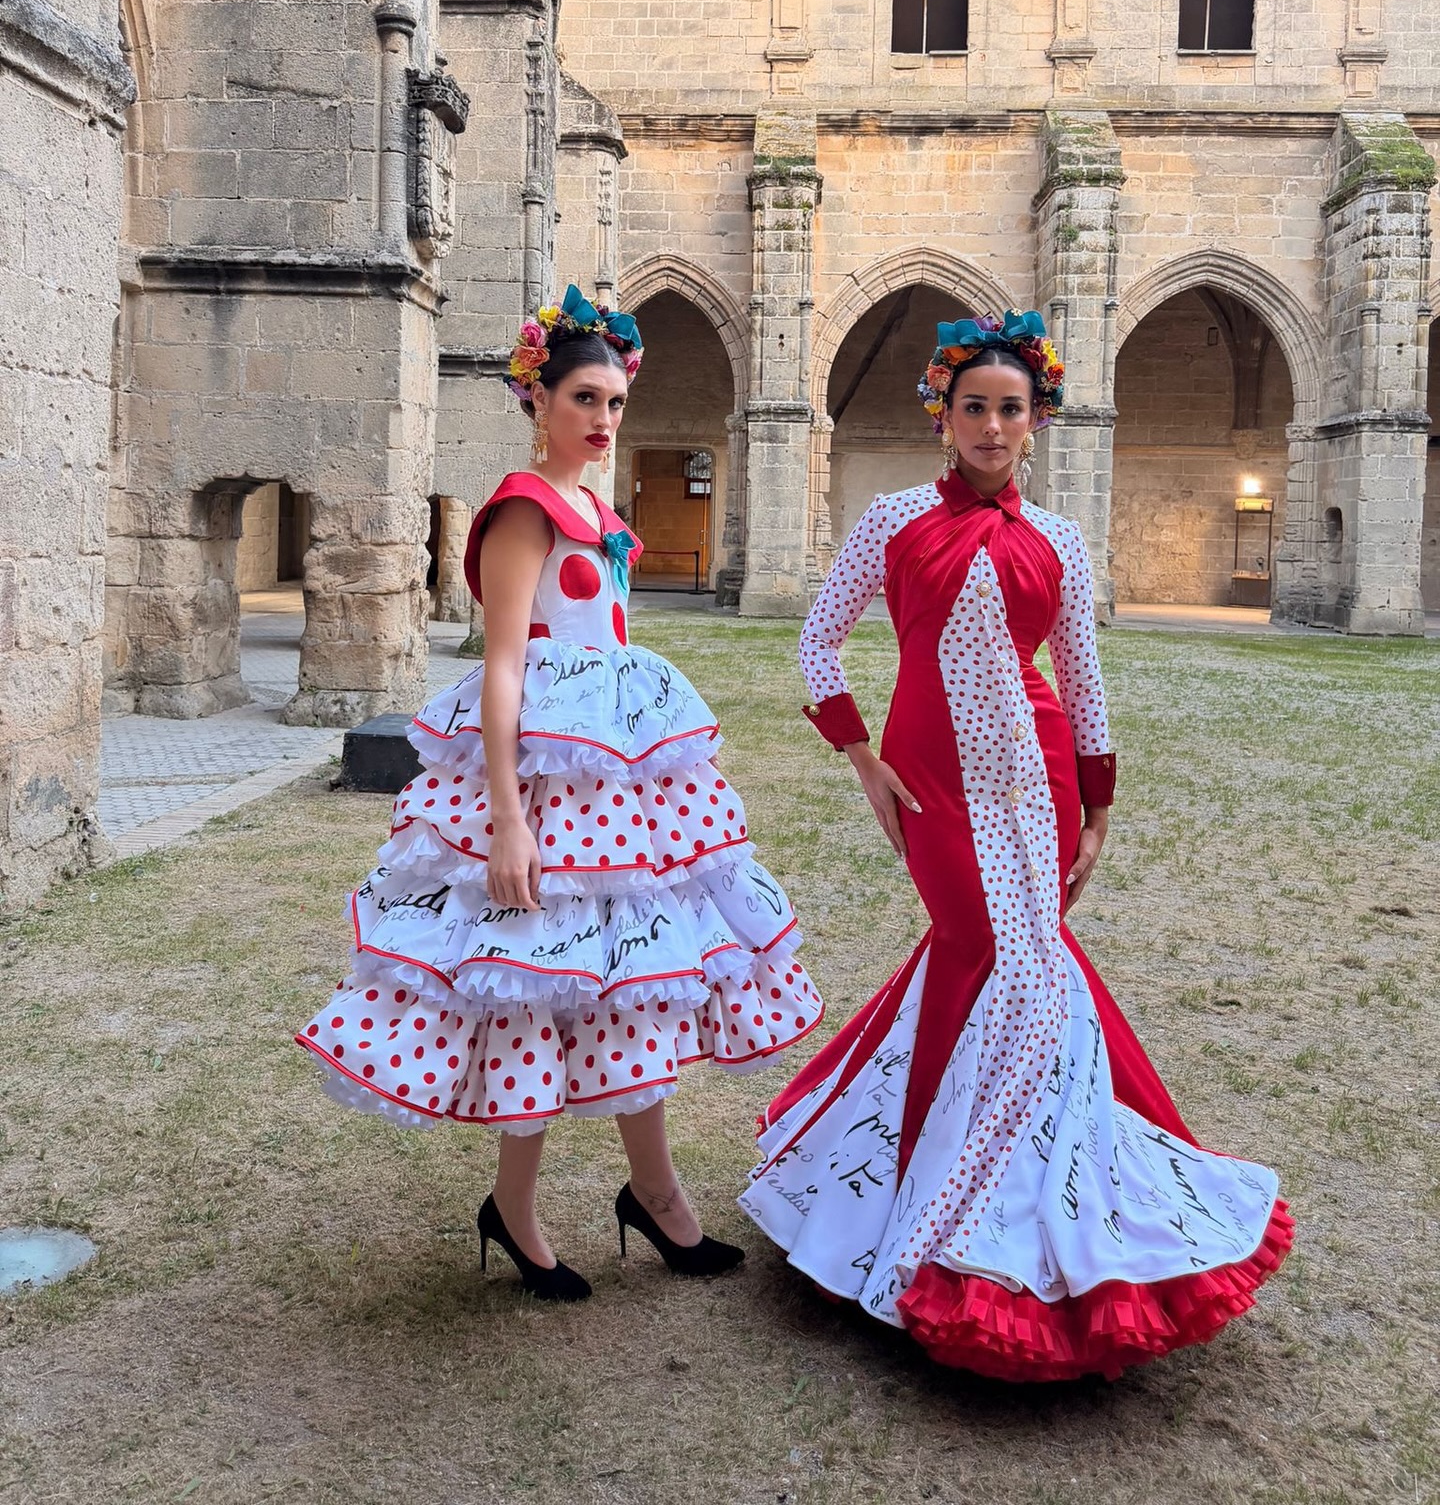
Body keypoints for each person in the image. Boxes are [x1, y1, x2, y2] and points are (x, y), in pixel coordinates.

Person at [740, 309, 1291, 1380]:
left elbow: (1082, 678)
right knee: (984, 951)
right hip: (931, 781)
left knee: (1019, 961)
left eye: (1012, 409)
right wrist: (861, 758)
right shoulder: (894, 519)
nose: (993, 427)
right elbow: (817, 644)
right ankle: (929, 1200)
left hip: (1037, 780)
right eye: (974, 407)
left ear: (1036, 420)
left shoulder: (1062, 541)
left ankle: (1016, 1187)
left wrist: (1099, 803)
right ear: (942, 415)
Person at [297, 287, 823, 1301]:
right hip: (543, 791)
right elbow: (502, 666)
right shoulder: (523, 509)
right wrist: (506, 820)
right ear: (537, 397)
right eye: (585, 398)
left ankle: (656, 1194)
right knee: (532, 985)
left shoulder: (599, 514)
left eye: (616, 402)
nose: (603, 418)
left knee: (633, 981)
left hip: (618, 793)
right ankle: (517, 1208)